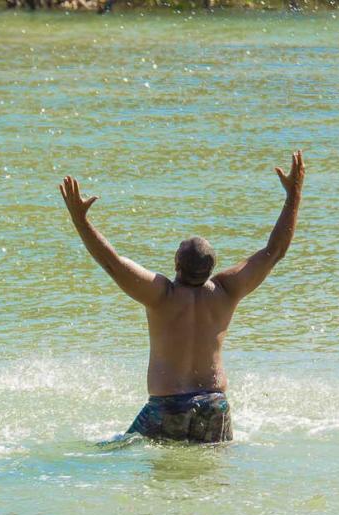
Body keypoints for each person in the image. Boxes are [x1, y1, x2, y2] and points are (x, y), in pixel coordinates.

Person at [59, 150, 305, 444]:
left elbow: (112, 263)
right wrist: (294, 194)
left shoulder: (161, 295)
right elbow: (274, 252)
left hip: (167, 407)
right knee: (207, 480)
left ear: (176, 264)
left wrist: (80, 220)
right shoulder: (226, 291)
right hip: (215, 406)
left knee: (114, 455)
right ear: (212, 267)